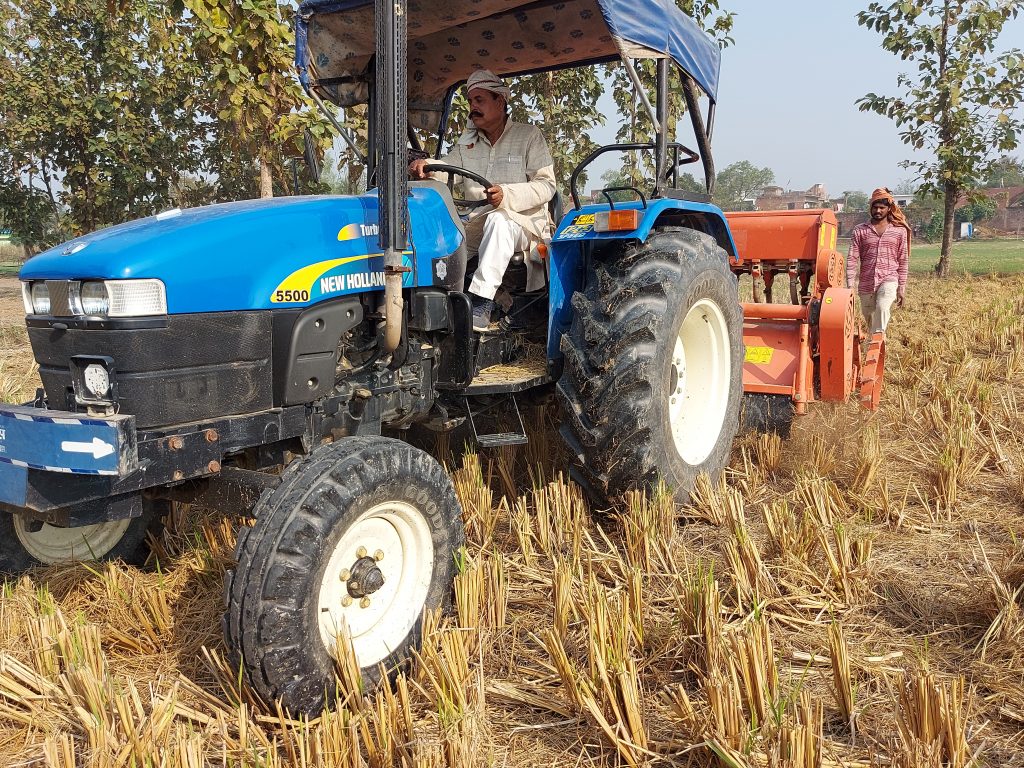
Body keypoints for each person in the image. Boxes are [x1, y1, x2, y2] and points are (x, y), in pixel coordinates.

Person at [410, 69, 555, 331]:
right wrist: (426, 165)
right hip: (476, 223)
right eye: (470, 102)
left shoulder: (528, 136)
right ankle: (425, 306)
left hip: (524, 224)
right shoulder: (467, 145)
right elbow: (445, 171)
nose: (472, 108)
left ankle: (480, 303)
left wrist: (507, 195)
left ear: (500, 101)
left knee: (499, 221)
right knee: (435, 230)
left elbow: (547, 186)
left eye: (479, 100)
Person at [846, 187, 911, 335]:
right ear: (870, 208)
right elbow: (852, 258)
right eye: (875, 207)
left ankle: (877, 342)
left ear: (889, 209)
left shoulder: (899, 231)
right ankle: (875, 342)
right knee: (869, 316)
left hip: (889, 278)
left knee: (882, 307)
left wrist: (901, 287)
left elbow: (903, 260)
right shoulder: (860, 231)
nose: (878, 211)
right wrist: (850, 285)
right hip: (866, 282)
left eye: (882, 207)